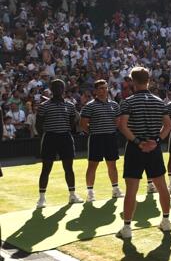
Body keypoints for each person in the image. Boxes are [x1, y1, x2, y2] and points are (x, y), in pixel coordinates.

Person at [116, 67, 171, 239]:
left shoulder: (128, 102)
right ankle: (166, 221)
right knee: (162, 186)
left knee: (132, 189)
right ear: (149, 80)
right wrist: (155, 141)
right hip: (154, 148)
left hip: (135, 149)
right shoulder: (158, 101)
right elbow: (168, 126)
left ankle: (127, 228)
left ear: (132, 81)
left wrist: (139, 142)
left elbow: (122, 126)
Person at [35, 79, 82, 208]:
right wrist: (45, 135)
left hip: (65, 137)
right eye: (55, 88)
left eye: (60, 87)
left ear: (64, 89)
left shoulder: (70, 105)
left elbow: (72, 122)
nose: (58, 90)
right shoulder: (44, 106)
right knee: (46, 168)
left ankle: (72, 195)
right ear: (51, 89)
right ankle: (41, 198)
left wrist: (64, 130)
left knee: (68, 168)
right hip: (50, 138)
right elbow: (38, 124)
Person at [80, 79, 123, 202]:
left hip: (110, 138)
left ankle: (115, 190)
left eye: (105, 88)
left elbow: (118, 122)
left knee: (112, 165)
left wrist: (109, 129)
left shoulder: (114, 105)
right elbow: (83, 124)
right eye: (101, 88)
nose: (104, 90)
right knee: (92, 165)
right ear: (95, 91)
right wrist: (94, 132)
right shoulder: (89, 106)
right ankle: (90, 192)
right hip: (96, 139)